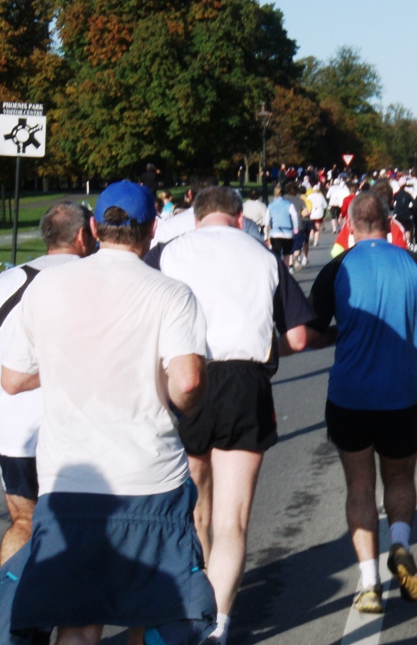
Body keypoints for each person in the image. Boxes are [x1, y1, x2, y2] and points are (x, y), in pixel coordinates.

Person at [1, 181, 216, 644]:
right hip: (149, 481)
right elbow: (188, 383)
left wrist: (68, 365)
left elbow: (14, 378)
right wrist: (183, 399)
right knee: (170, 612)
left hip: (69, 484)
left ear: (96, 228)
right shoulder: (171, 294)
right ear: (151, 230)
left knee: (78, 621)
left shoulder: (47, 288)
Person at [152, 187, 316, 645]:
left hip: (187, 374)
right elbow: (300, 337)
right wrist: (266, 350)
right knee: (233, 519)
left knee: (194, 508)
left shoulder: (168, 252)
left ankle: (191, 603)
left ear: (195, 217)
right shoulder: (263, 256)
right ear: (239, 217)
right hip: (246, 381)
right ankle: (218, 624)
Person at [306, 193, 417, 614]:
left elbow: (313, 333)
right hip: (401, 391)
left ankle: (369, 583)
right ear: (389, 224)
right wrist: (414, 347)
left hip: (351, 393)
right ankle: (402, 546)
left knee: (359, 486)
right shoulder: (413, 262)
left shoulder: (338, 267)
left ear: (350, 225)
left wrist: (341, 337)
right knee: (400, 478)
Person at [0, 203, 96, 566]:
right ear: (85, 234)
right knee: (86, 527)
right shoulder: (97, 280)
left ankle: (9, 614)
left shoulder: (8, 281)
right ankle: (75, 618)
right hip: (78, 429)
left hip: (15, 432)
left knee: (24, 522)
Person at [267, 185, 301, 270]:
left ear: (274, 195)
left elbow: (267, 221)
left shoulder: (270, 206)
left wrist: (267, 234)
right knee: (287, 253)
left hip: (275, 232)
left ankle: (278, 271)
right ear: (283, 194)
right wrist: (296, 228)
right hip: (287, 232)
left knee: (276, 253)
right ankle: (285, 271)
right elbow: (294, 216)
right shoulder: (288, 204)